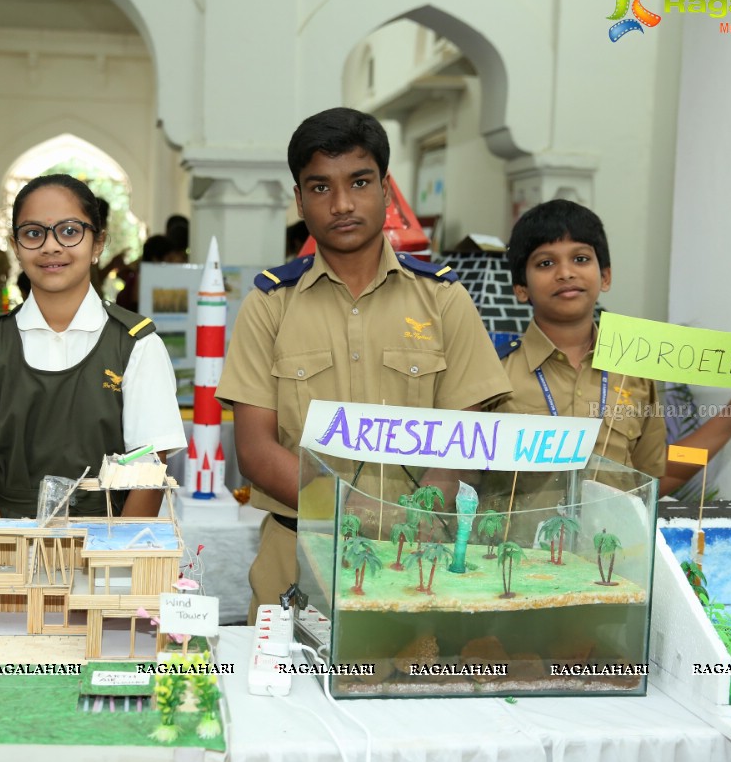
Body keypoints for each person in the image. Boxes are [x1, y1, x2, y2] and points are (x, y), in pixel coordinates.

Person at [216, 108, 512, 622]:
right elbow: (256, 451)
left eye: (359, 181)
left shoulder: (444, 300)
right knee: (282, 697)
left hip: (420, 562)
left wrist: (416, 517)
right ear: (300, 200)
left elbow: (468, 434)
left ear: (386, 189)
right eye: (321, 187)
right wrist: (362, 513)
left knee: (418, 690)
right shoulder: (269, 304)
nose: (343, 204)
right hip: (296, 560)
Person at [0, 175, 186, 518]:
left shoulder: (136, 345)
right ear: (16, 246)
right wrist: (7, 560)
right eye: (34, 233)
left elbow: (148, 476)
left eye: (69, 231)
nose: (51, 246)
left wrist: (112, 559)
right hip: (4, 551)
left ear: (98, 244)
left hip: (108, 550)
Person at [492, 198, 731, 495]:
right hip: (515, 541)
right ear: (521, 288)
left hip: (612, 541)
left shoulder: (633, 371)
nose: (566, 272)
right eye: (546, 263)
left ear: (605, 276)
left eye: (580, 259)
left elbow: (654, 475)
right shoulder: (493, 372)